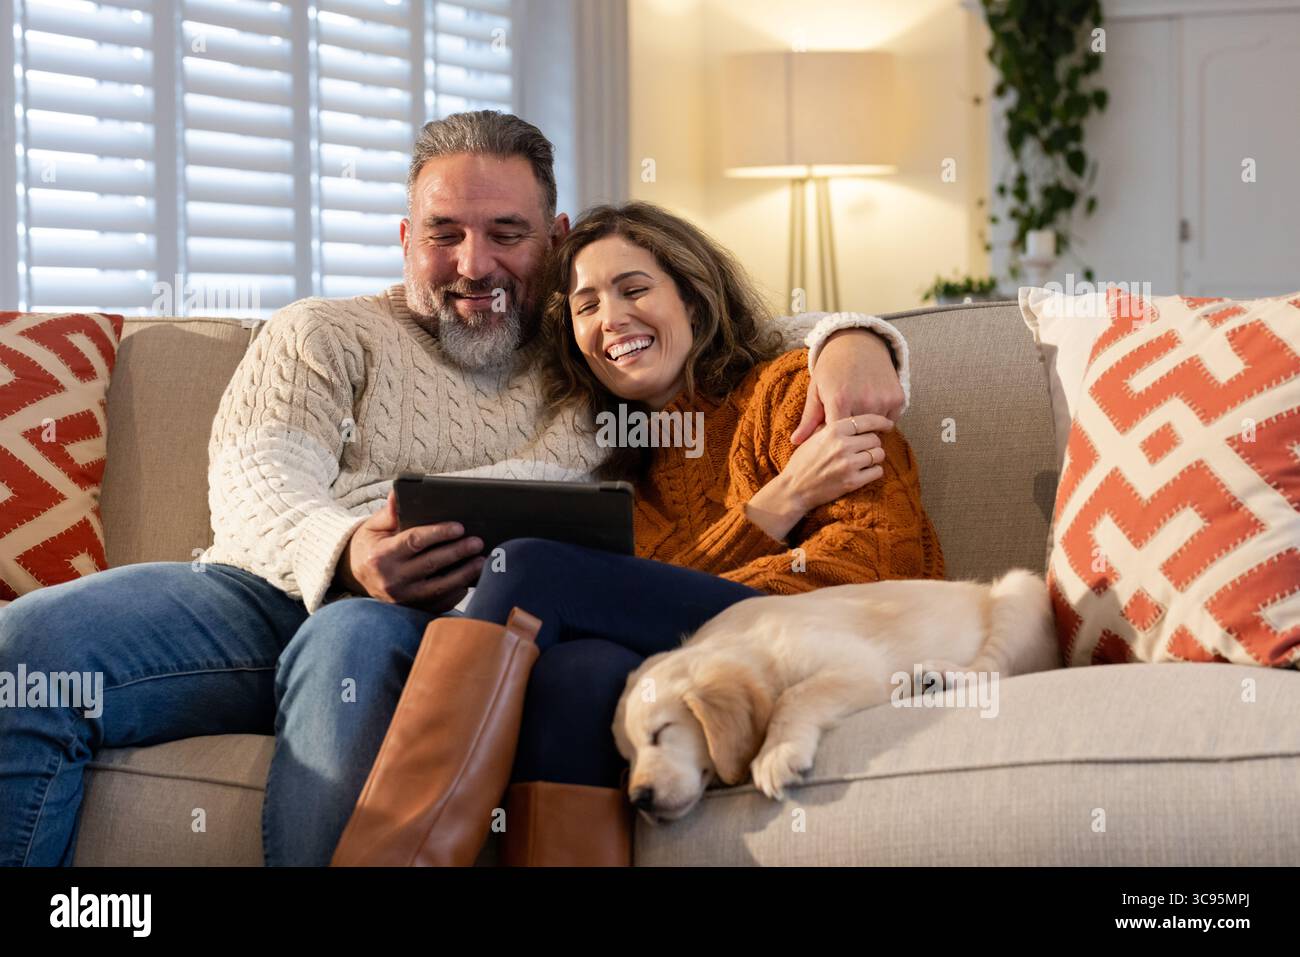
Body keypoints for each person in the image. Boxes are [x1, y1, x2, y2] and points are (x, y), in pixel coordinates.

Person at [0, 111, 909, 866]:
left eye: (506, 234)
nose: (474, 263)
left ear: (554, 244)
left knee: (352, 640)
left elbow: (717, 329)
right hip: (262, 588)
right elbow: (256, 476)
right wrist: (349, 549)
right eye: (445, 233)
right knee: (27, 645)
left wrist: (856, 338)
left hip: (441, 619)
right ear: (406, 239)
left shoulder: (586, 361)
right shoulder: (322, 333)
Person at [462, 202, 945, 865]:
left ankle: (409, 844)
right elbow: (651, 619)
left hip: (843, 631)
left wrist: (852, 340)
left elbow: (872, 569)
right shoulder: (620, 482)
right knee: (580, 672)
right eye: (587, 306)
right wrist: (776, 507)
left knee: (521, 571)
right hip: (727, 647)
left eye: (634, 289)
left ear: (693, 300)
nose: (612, 319)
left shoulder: (792, 393)